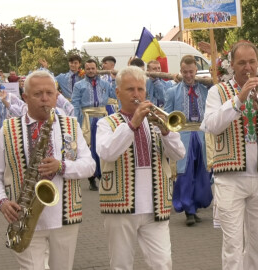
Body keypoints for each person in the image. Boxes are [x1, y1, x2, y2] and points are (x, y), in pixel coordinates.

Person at [0, 70, 95, 270]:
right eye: (38, 94)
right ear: (25, 97)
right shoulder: (8, 129)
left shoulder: (71, 125)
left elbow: (90, 165)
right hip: (24, 218)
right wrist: (2, 202)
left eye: (50, 93)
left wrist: (62, 166)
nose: (45, 99)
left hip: (65, 218)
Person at [201, 41, 258, 270]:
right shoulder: (216, 92)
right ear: (232, 65)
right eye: (241, 63)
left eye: (252, 62)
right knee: (232, 246)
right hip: (230, 179)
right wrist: (238, 99)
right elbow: (212, 125)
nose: (247, 67)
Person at [96, 66, 185, 270]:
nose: (137, 94)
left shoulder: (156, 122)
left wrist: (166, 132)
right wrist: (133, 124)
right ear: (117, 93)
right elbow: (107, 152)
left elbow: (179, 154)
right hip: (120, 207)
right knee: (121, 265)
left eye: (140, 89)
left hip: (156, 205)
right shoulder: (106, 123)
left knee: (163, 263)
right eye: (130, 89)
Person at [165, 55, 212, 226]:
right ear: (181, 71)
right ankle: (188, 210)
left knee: (202, 173)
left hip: (201, 134)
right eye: (184, 72)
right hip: (183, 136)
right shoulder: (172, 91)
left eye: (191, 72)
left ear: (196, 71)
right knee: (184, 174)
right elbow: (167, 115)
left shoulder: (205, 90)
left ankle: (195, 205)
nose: (188, 75)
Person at [71, 59, 117, 191]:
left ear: (97, 69)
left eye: (93, 68)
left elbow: (114, 95)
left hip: (102, 117)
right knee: (89, 148)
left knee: (104, 145)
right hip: (87, 118)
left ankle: (103, 176)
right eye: (88, 68)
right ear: (85, 69)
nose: (91, 71)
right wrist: (76, 120)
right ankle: (91, 178)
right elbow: (75, 102)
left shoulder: (105, 84)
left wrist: (113, 81)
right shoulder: (79, 85)